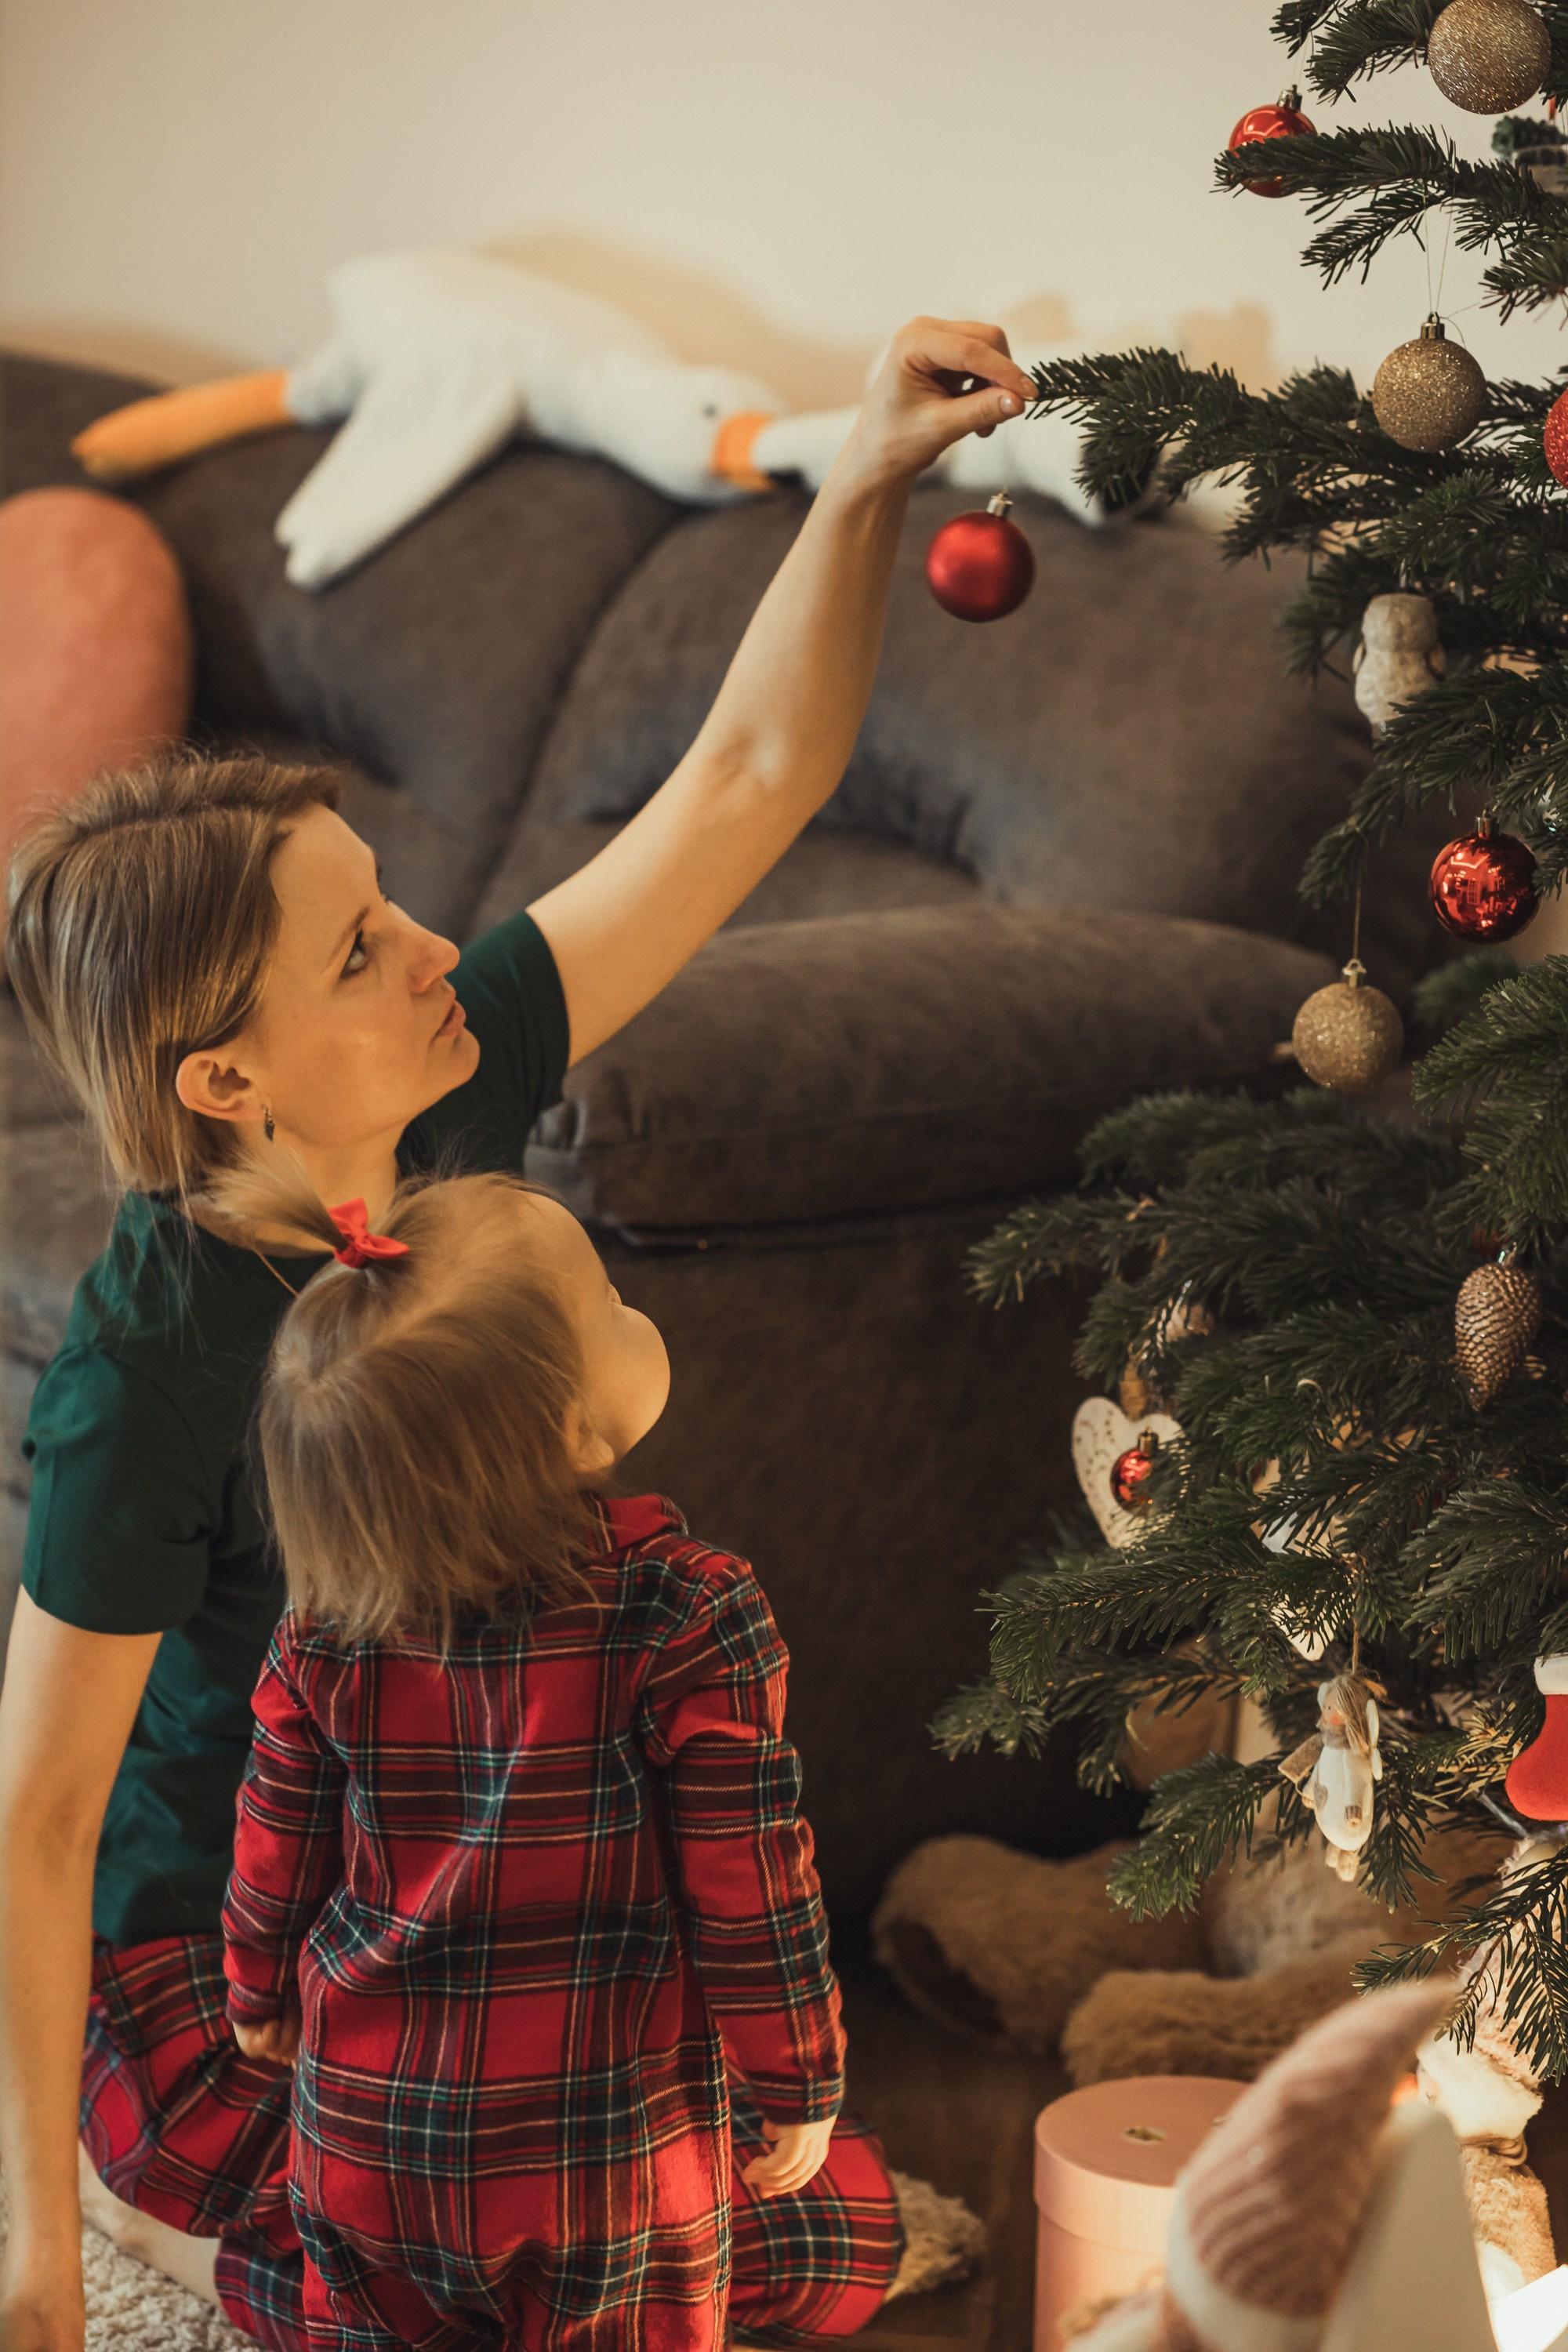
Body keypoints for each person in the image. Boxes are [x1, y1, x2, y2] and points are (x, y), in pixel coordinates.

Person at [0, 317, 1033, 2352]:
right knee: (422, 2275)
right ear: (228, 1084)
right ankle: (181, 2243)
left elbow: (744, 782)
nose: (425, 945)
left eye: (387, 907)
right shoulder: (151, 1365)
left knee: (756, 2224)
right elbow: (36, 1820)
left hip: (508, 1895)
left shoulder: (440, 1081)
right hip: (240, 1958)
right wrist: (36, 2254)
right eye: (359, 950)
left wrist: (856, 487)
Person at [219, 1160, 886, 2350]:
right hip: (609, 2164)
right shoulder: (688, 1613)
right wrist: (800, 2076)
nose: (636, 1312)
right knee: (820, 2236)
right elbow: (753, 1885)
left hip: (368, 2146)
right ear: (575, 1432)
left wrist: (256, 1988)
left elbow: (275, 1840)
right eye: (612, 1304)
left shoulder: (322, 1630)